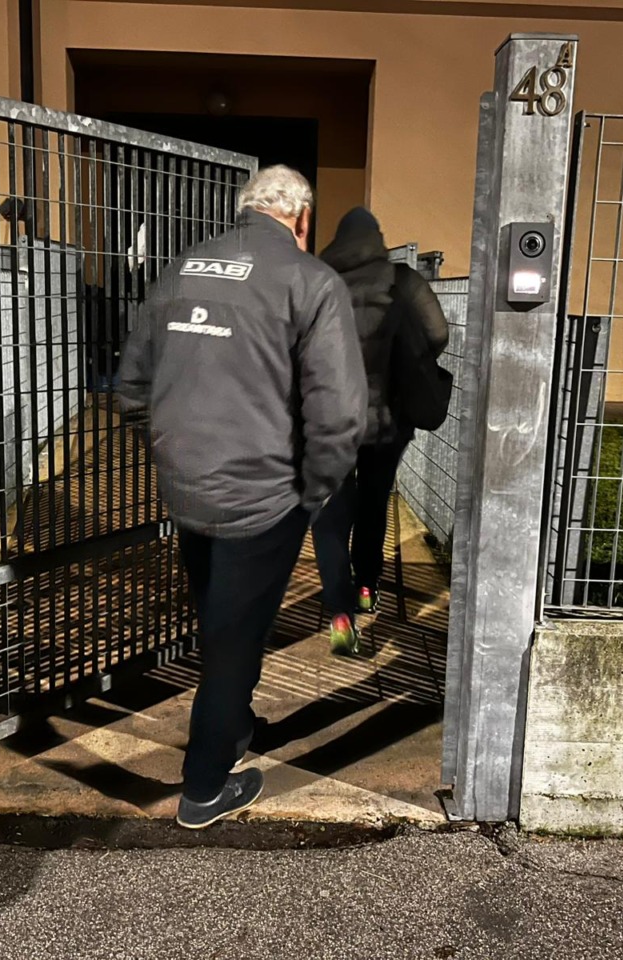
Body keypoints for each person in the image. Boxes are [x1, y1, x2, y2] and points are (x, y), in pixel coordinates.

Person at [118, 166, 366, 830]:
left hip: (186, 483)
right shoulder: (312, 282)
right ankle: (204, 786)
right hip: (262, 497)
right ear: (303, 218)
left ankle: (233, 722)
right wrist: (313, 493)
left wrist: (171, 446)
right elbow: (339, 416)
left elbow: (132, 385)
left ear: (246, 210)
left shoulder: (184, 267)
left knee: (219, 611)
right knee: (236, 637)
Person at [311, 207, 449, 654]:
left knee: (330, 514)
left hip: (330, 421)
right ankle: (367, 586)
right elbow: (438, 333)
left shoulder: (317, 279)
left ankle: (338, 611)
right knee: (373, 504)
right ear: (376, 238)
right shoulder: (403, 281)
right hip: (388, 420)